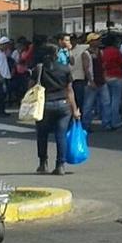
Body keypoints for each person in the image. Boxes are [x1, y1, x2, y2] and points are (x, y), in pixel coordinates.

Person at [33, 43, 81, 176]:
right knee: (61, 135)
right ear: (56, 54)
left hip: (44, 105)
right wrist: (75, 109)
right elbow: (70, 90)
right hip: (63, 104)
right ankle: (60, 165)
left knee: (42, 135)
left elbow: (31, 87)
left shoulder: (39, 69)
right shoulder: (65, 69)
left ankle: (43, 163)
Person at [81, 33, 111, 133]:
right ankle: (86, 125)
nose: (98, 41)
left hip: (102, 81)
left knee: (106, 103)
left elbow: (103, 66)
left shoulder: (101, 52)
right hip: (92, 82)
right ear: (90, 42)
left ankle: (106, 123)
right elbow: (86, 69)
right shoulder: (86, 53)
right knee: (88, 105)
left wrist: (105, 76)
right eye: (96, 40)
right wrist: (90, 81)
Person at [101, 34, 122, 130]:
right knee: (116, 100)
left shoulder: (102, 52)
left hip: (106, 76)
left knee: (106, 101)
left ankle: (106, 122)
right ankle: (115, 122)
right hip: (117, 76)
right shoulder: (116, 51)